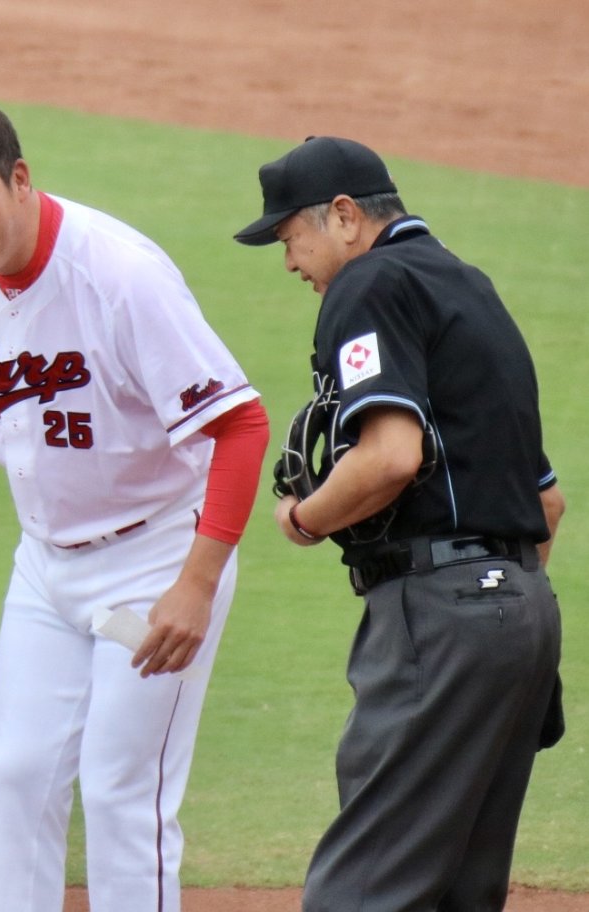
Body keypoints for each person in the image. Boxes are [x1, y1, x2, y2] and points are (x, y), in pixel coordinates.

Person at [0, 100, 270, 912]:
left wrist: (196, 585)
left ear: (19, 180)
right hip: (46, 568)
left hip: (153, 567)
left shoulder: (120, 277)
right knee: (19, 773)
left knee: (119, 790)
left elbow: (240, 425)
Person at [235, 136, 564, 911]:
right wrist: (500, 610)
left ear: (344, 217)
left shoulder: (371, 283)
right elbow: (546, 502)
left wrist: (305, 519)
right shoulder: (470, 288)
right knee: (458, 892)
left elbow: (388, 457)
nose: (291, 262)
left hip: (442, 612)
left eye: (291, 238)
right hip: (521, 610)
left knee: (364, 890)